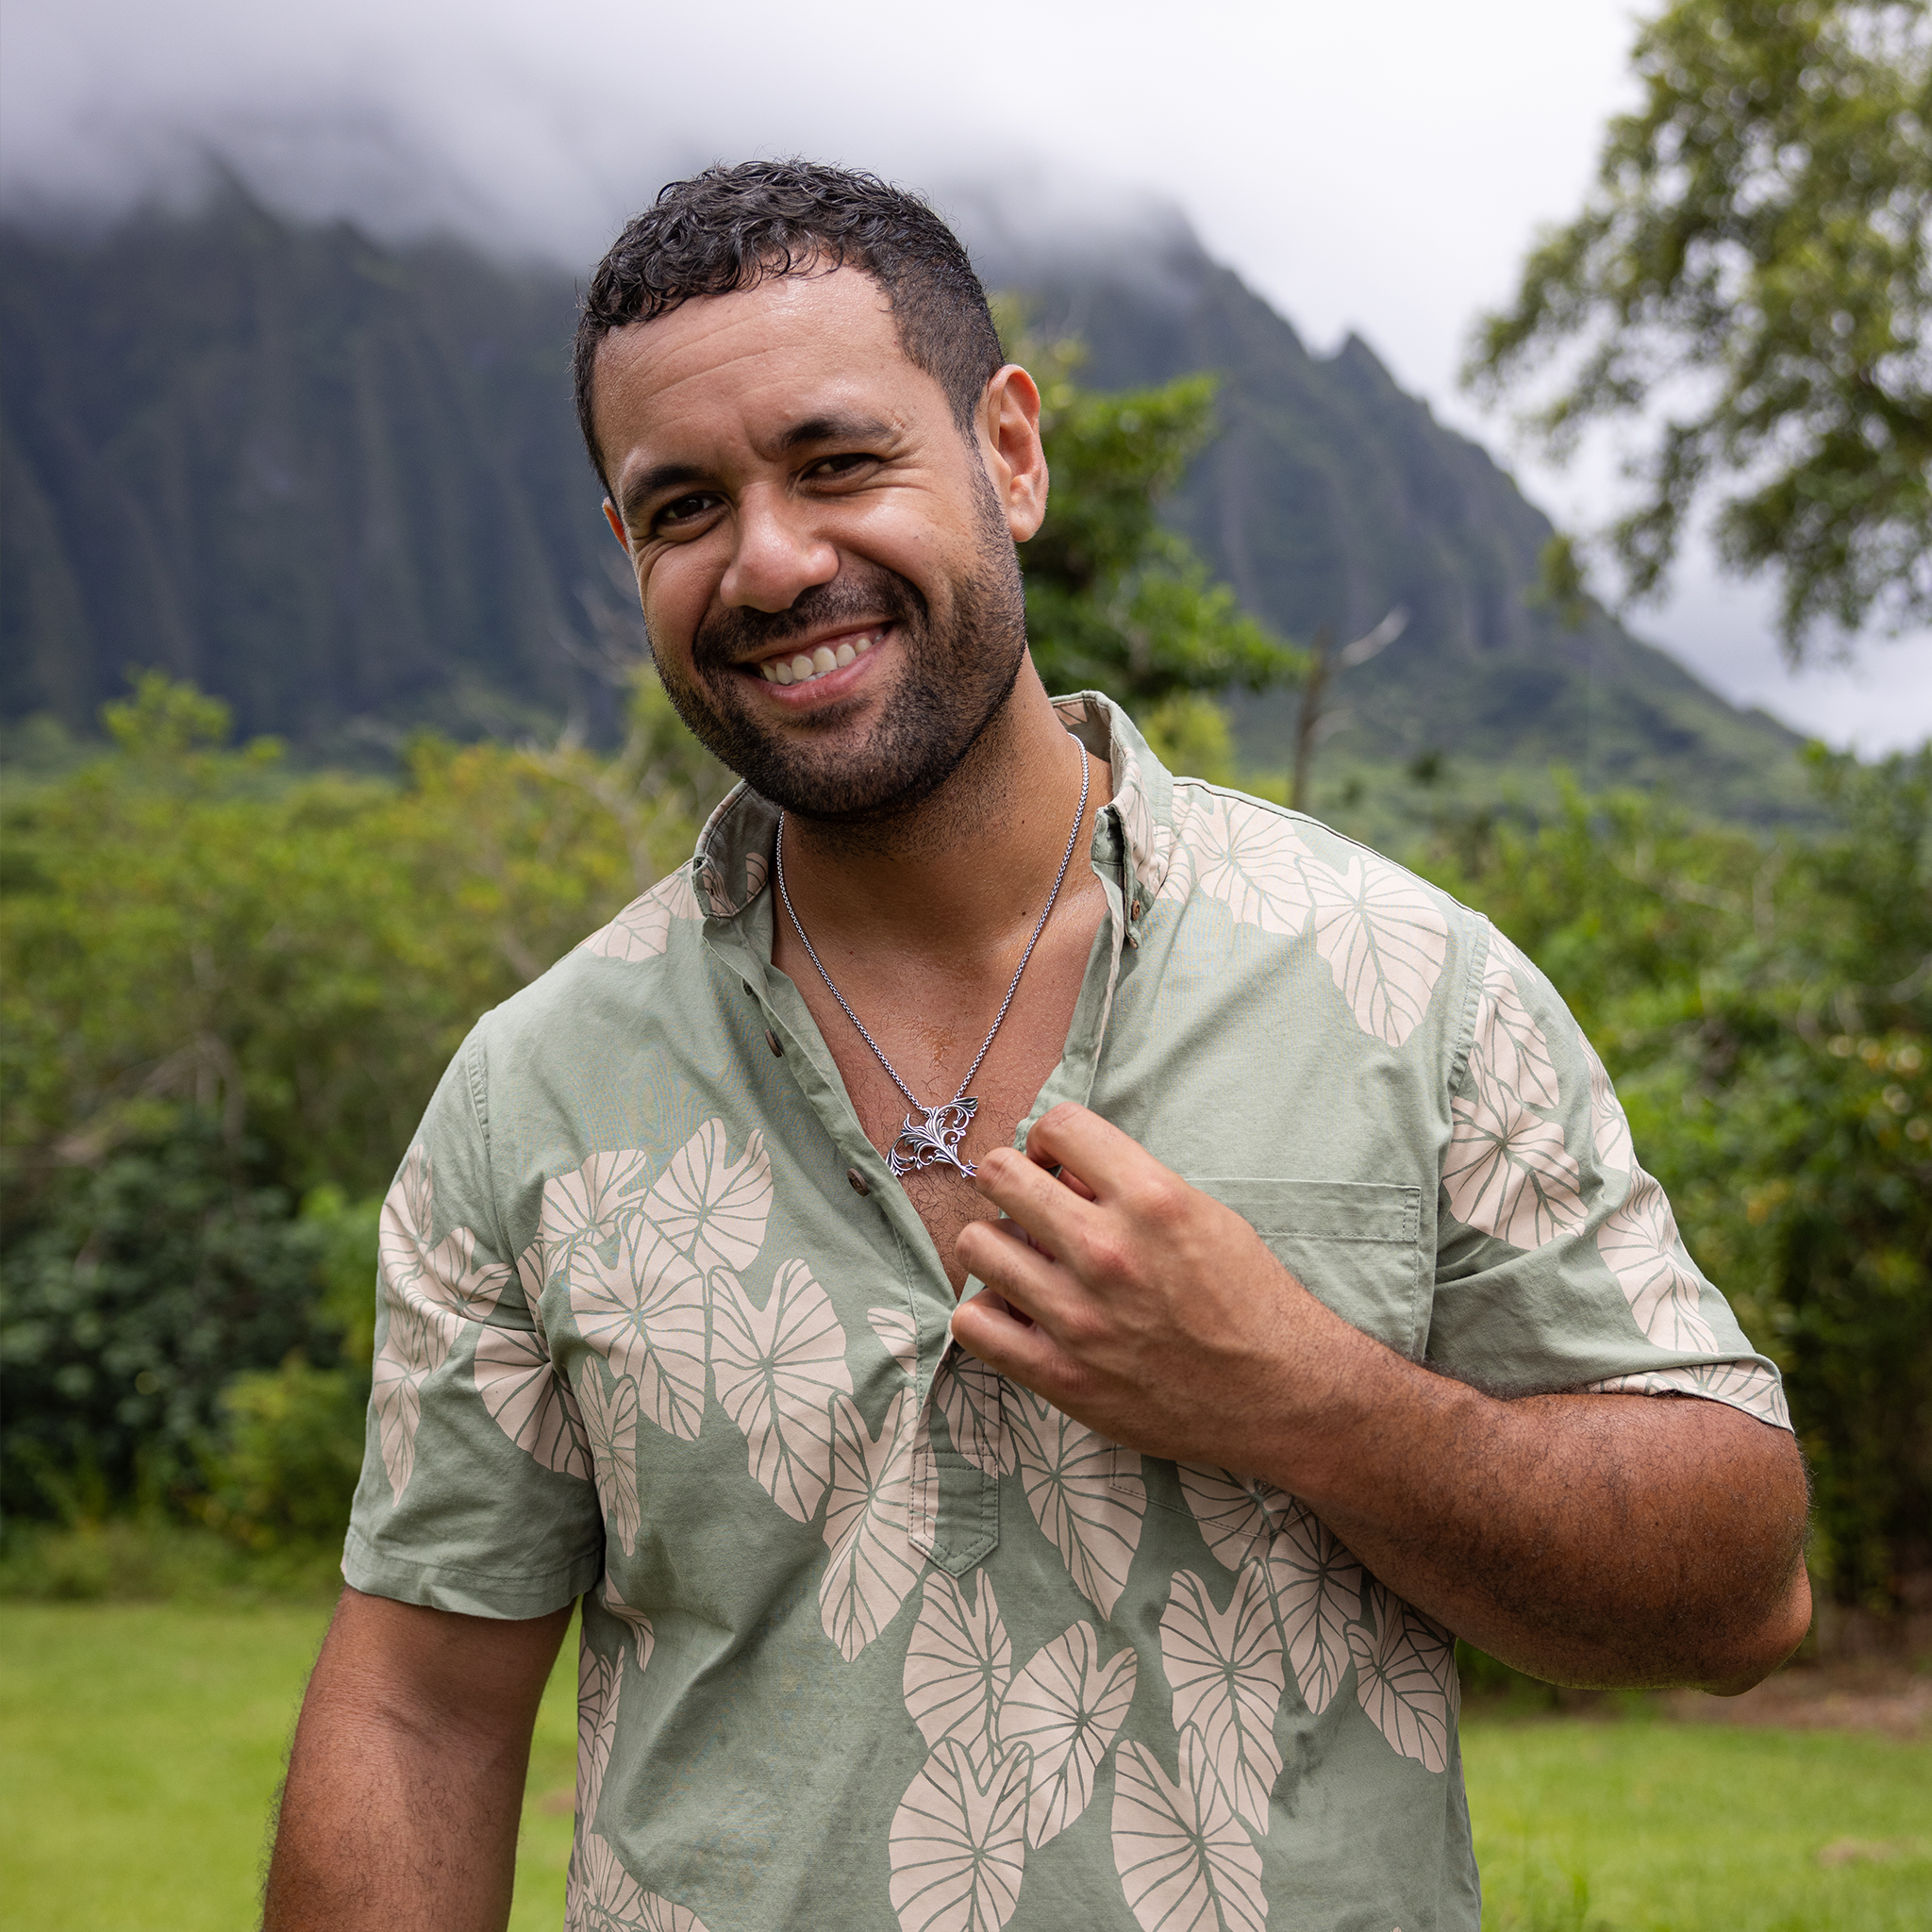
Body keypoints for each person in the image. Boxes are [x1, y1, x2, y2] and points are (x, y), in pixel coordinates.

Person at [262, 160, 1809, 1931]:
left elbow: (1741, 1597)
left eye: (839, 462)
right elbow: (418, 1713)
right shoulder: (531, 1090)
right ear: (632, 551)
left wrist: (1306, 1399)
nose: (772, 560)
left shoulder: (1401, 983)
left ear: (1009, 452)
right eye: (685, 504)